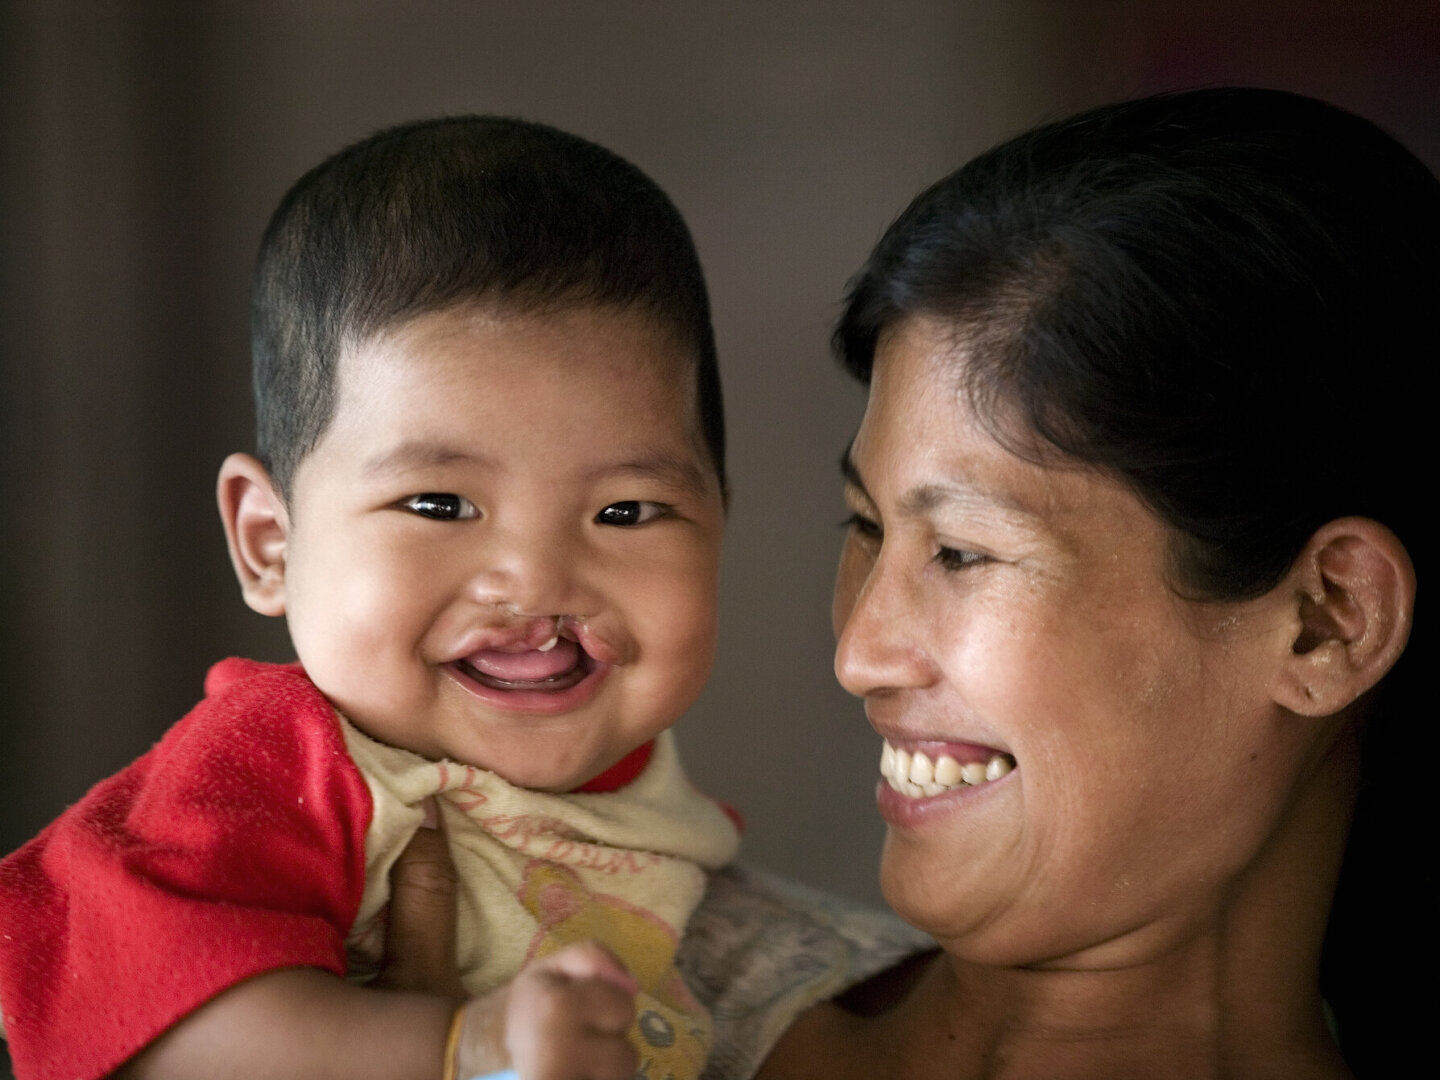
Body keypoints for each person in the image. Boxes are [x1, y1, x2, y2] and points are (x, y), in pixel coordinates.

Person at [0, 115, 754, 1080]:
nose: (535, 578)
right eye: (440, 503)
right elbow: (153, 1023)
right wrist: (461, 1046)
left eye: (627, 510)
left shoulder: (655, 796)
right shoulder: (286, 766)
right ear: (270, 542)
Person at [747, 86, 1433, 1079]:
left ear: (1327, 623)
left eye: (962, 552)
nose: (858, 653)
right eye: (866, 526)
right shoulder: (591, 1005)